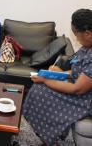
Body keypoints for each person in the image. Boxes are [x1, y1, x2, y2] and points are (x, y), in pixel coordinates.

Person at [24, 9, 92, 145]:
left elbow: (77, 89)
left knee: (41, 91)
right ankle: (45, 134)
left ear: (88, 33)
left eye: (76, 35)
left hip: (85, 100)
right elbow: (75, 73)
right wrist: (57, 72)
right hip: (79, 90)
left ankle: (49, 136)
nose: (76, 39)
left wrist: (46, 79)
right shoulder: (87, 48)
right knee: (39, 87)